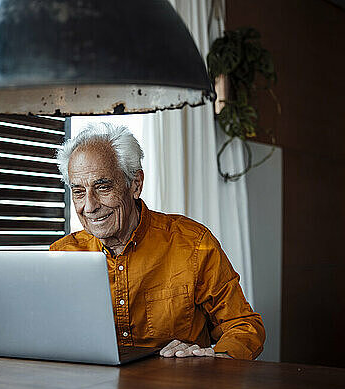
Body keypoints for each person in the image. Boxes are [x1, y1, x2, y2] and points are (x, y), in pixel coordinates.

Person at [50, 122, 265, 360]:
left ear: (135, 184)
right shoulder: (62, 255)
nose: (89, 206)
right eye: (79, 191)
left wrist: (217, 356)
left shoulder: (193, 244)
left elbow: (244, 326)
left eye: (103, 187)